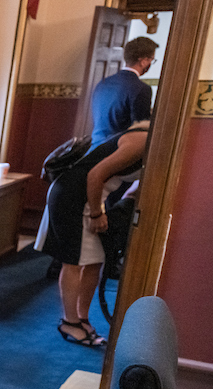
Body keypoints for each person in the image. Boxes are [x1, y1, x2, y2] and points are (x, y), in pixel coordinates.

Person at [38, 120, 149, 346]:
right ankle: (69, 322)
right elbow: (95, 175)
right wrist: (97, 214)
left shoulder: (149, 142)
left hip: (90, 197)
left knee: (95, 260)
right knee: (73, 260)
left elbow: (135, 184)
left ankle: (82, 318)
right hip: (72, 196)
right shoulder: (142, 141)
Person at [89, 36, 157, 145]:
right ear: (144, 61)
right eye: (152, 60)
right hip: (118, 149)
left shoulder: (103, 83)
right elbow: (140, 129)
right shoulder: (141, 88)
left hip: (95, 145)